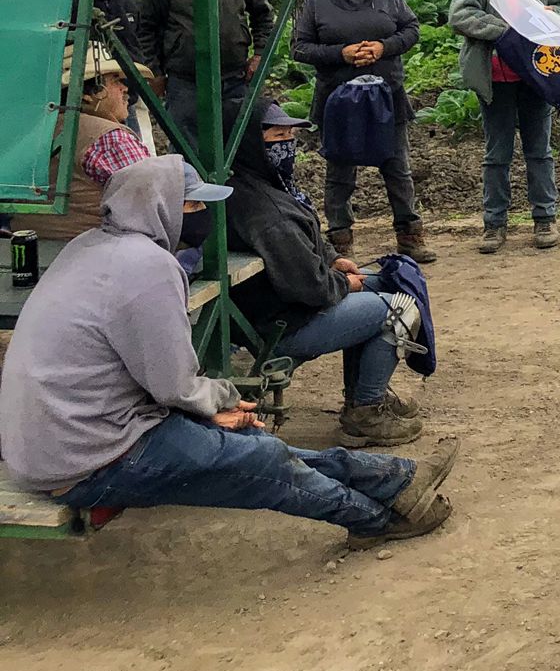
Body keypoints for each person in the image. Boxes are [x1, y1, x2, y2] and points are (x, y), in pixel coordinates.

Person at [0, 156, 456, 548]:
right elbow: (173, 382)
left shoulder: (90, 246)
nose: (201, 215)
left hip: (66, 438)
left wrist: (210, 406)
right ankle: (379, 520)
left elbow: (160, 381)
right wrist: (219, 400)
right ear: (159, 207)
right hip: (87, 458)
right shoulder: (148, 267)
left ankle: (397, 479)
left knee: (252, 443)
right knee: (259, 461)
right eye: (193, 204)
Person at [226, 103, 426, 446]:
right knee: (402, 307)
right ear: (251, 145)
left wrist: (333, 259)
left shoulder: (264, 184)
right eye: (277, 136)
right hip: (285, 325)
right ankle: (367, 412)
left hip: (282, 307)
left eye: (290, 134)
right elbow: (309, 287)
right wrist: (340, 283)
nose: (287, 143)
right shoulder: (266, 211)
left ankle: (359, 397)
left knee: (385, 281)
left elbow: (308, 244)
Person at [292, 0, 429, 261]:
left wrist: (384, 48)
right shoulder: (316, 0)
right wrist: (342, 54)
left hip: (387, 95)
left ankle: (410, 235)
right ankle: (340, 241)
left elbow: (412, 29)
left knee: (397, 168)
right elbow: (300, 48)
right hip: (339, 101)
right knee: (339, 171)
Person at [448, 0, 560, 254]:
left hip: (536, 72)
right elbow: (460, 14)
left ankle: (545, 218)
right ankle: (494, 224)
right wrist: (506, 31)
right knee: (497, 150)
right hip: (496, 73)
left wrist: (550, 16)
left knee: (539, 148)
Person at [134, 0, 275, 144]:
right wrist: (154, 72)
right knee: (186, 150)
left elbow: (263, 15)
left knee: (237, 148)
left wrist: (260, 53)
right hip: (185, 84)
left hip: (233, 80)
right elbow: (144, 28)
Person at [40, 45, 152, 251]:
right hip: (97, 251)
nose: (124, 88)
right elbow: (151, 202)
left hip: (35, 245)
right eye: (115, 81)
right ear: (89, 94)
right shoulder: (111, 138)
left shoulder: (39, 128)